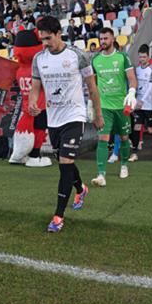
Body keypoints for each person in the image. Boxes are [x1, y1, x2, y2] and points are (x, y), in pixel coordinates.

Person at [28, 16, 102, 233]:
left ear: (59, 33)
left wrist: (98, 115)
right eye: (42, 39)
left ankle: (58, 216)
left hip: (74, 115)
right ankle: (81, 188)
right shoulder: (38, 59)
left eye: (48, 38)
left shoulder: (78, 56)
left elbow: (92, 87)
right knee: (65, 162)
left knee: (64, 162)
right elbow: (35, 87)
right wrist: (32, 102)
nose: (45, 43)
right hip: (54, 119)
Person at [89, 28, 137, 187]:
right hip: (104, 107)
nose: (102, 41)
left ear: (113, 39)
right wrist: (92, 104)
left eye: (106, 38)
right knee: (103, 138)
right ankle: (101, 174)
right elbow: (93, 85)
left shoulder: (122, 57)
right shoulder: (95, 60)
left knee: (124, 137)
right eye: (101, 38)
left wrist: (131, 92)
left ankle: (124, 165)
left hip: (121, 106)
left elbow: (132, 78)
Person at [130, 44, 152, 161]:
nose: (142, 59)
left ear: (148, 57)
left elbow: (151, 87)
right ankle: (134, 152)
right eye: (140, 57)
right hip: (138, 104)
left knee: (150, 128)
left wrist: (142, 100)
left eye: (144, 57)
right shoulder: (136, 69)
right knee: (137, 126)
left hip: (148, 103)